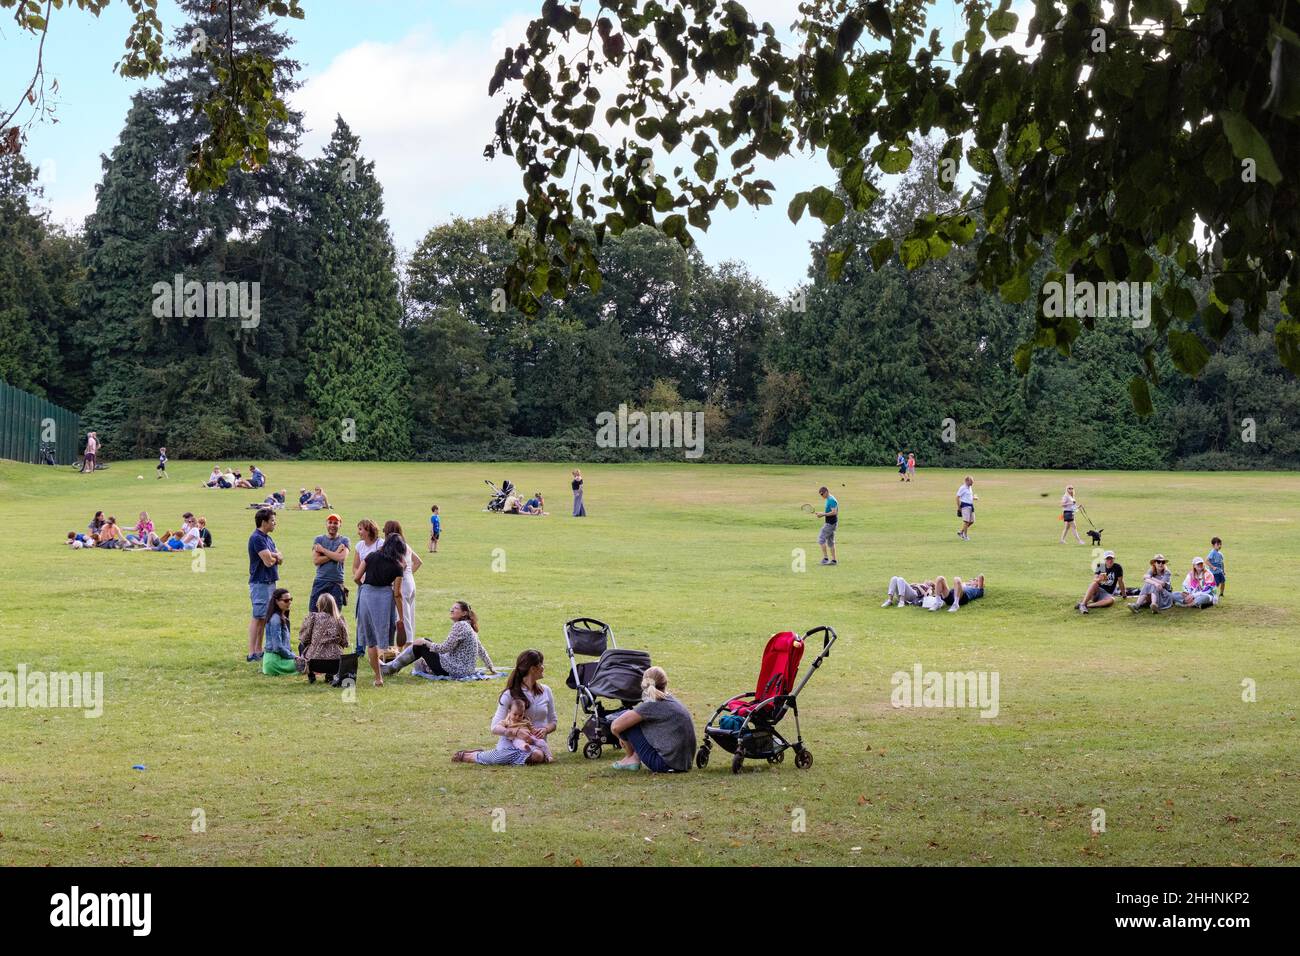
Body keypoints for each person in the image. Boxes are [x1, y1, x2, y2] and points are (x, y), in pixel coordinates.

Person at [452, 650, 555, 765]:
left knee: (537, 755)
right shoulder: (510, 694)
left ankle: (497, 756)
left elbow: (553, 722)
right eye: (541, 664)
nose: (543, 667)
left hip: (536, 743)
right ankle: (474, 756)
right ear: (532, 668)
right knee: (511, 756)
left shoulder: (546, 691)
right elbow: (494, 727)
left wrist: (545, 730)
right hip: (511, 742)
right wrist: (515, 732)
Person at [609, 666, 697, 773]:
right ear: (665, 682)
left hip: (664, 764)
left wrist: (622, 738)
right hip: (684, 763)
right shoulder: (672, 700)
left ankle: (631, 758)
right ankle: (633, 758)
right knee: (630, 718)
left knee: (627, 723)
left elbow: (615, 727)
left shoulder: (651, 705)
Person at [382, 600, 494, 679]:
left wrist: (425, 642)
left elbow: (444, 648)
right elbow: (481, 650)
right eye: (452, 608)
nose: (451, 610)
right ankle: (393, 665)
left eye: (455, 608)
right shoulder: (469, 626)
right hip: (464, 670)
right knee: (424, 642)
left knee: (422, 644)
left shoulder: (460, 626)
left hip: (453, 670)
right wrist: (491, 667)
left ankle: (390, 668)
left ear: (464, 613)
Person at [353, 526, 405, 686]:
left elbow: (356, 577)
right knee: (384, 634)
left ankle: (378, 677)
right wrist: (401, 617)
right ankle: (387, 664)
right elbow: (397, 593)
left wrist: (364, 587)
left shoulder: (371, 556)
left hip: (366, 596)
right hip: (384, 596)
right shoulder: (397, 566)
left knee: (370, 640)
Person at [247, 508, 282, 662]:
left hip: (269, 582)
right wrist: (274, 556)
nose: (275, 523)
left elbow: (279, 558)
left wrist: (273, 555)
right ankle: (251, 652)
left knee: (264, 617)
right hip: (260, 582)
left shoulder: (268, 539)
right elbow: (268, 562)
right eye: (272, 521)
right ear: (264, 522)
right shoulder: (257, 538)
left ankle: (259, 650)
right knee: (257, 617)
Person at [298, 592, 349, 684]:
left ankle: (311, 675)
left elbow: (304, 638)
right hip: (336, 663)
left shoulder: (313, 617)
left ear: (319, 604)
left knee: (301, 645)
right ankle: (330, 675)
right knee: (338, 649)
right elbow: (345, 642)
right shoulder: (339, 620)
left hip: (314, 663)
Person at [385, 520, 421, 647]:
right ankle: (409, 642)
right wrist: (409, 575)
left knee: (402, 615)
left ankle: (406, 644)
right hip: (410, 581)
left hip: (403, 582)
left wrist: (398, 578)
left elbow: (403, 564)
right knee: (409, 614)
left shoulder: (394, 546)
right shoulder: (405, 545)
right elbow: (418, 562)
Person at [309, 513, 351, 615]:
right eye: (330, 522)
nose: (332, 525)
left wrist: (323, 550)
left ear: (340, 525)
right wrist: (336, 553)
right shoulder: (319, 539)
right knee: (314, 614)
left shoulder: (344, 540)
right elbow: (316, 561)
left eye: (335, 523)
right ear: (326, 524)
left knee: (335, 616)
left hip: (336, 583)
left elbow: (341, 558)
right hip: (320, 581)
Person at [261, 588, 300, 676]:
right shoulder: (276, 619)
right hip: (275, 662)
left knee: (306, 662)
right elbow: (277, 647)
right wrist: (294, 656)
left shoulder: (281, 617)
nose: (289, 602)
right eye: (286, 600)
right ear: (277, 601)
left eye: (290, 599)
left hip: (279, 659)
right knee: (307, 665)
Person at [809, 485, 838, 565]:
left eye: (822, 494)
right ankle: (834, 560)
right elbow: (830, 511)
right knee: (831, 542)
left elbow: (834, 512)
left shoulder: (831, 500)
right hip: (832, 523)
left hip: (830, 524)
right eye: (820, 495)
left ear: (826, 492)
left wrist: (823, 514)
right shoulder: (828, 499)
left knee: (821, 539)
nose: (821, 496)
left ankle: (825, 559)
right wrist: (821, 514)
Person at [956, 476, 976, 540]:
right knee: (966, 521)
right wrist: (959, 507)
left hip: (971, 505)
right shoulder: (962, 488)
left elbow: (968, 496)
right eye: (971, 482)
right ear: (967, 481)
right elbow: (957, 497)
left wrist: (974, 498)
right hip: (965, 506)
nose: (972, 483)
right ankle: (965, 536)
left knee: (972, 521)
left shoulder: (970, 487)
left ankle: (961, 532)